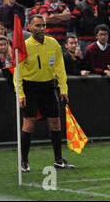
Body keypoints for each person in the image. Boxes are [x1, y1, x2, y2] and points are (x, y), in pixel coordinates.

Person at [15, 14, 75, 172]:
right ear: (30, 27)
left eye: (43, 25)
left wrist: (63, 88)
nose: (41, 28)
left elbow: (60, 67)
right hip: (30, 88)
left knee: (55, 123)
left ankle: (58, 160)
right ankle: (24, 162)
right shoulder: (25, 46)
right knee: (29, 124)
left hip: (49, 87)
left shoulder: (53, 43)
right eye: (37, 26)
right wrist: (20, 94)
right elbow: (18, 73)